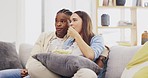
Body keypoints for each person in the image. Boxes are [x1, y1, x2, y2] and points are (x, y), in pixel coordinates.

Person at [0, 8, 72, 78]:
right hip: (32, 69)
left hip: (46, 73)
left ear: (70, 23)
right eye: (56, 21)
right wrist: (28, 69)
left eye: (62, 21)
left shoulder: (71, 41)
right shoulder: (45, 36)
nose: (58, 24)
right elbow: (34, 55)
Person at [62, 11, 105, 78]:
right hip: (66, 72)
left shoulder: (97, 38)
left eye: (74, 20)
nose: (71, 24)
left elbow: (90, 55)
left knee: (86, 74)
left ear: (85, 22)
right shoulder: (70, 40)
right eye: (70, 21)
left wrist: (76, 36)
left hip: (84, 72)